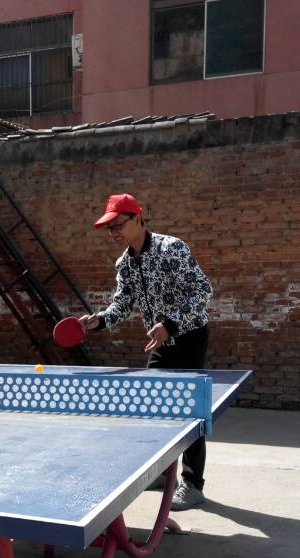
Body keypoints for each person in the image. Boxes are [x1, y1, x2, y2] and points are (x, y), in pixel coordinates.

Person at [80, 193, 212, 511]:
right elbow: (122, 305)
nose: (113, 233)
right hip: (160, 343)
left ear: (138, 218)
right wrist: (99, 321)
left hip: (189, 337)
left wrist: (170, 324)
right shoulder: (125, 263)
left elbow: (202, 291)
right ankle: (161, 473)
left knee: (190, 413)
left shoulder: (172, 249)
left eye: (118, 225)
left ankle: (193, 485)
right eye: (109, 228)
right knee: (152, 409)